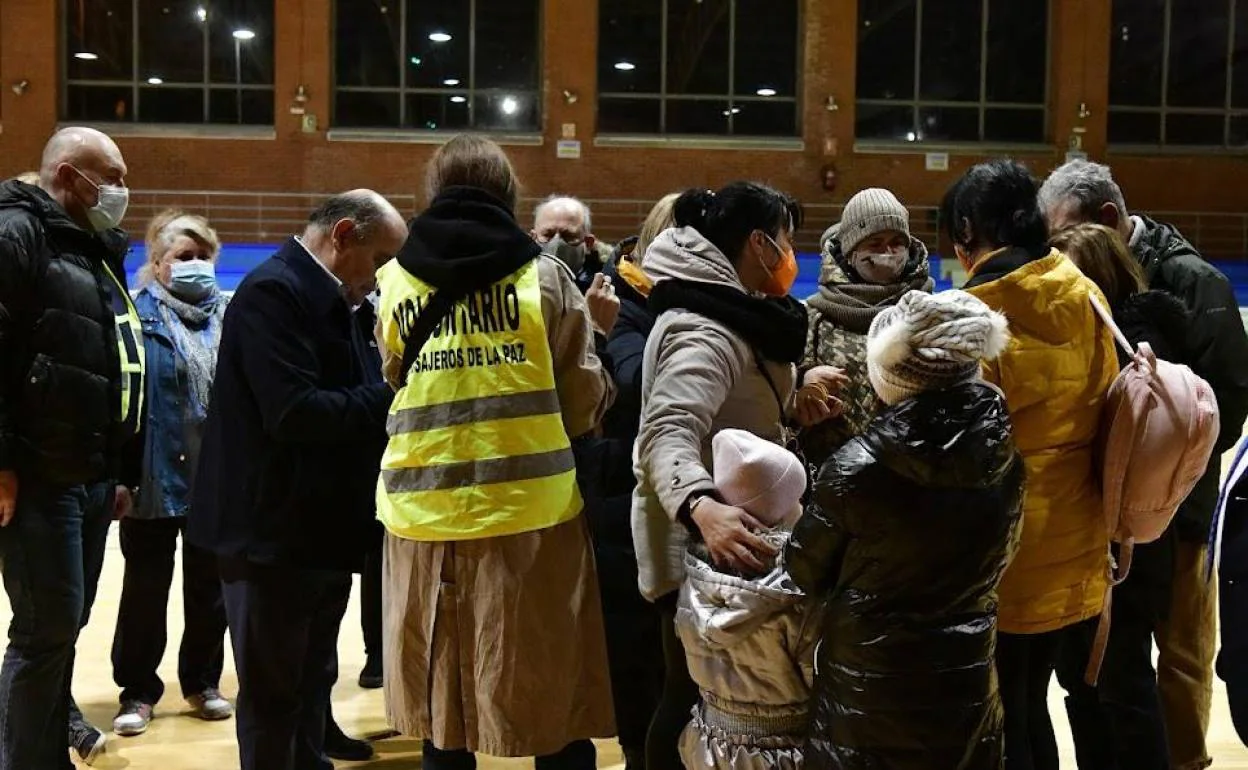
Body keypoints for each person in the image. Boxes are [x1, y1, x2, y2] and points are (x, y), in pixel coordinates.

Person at [376, 135, 618, 770]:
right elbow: (582, 402)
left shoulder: (396, 280)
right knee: (551, 694)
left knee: (440, 699)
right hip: (530, 515)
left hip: (421, 520)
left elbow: (393, 380)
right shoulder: (546, 278)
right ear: (508, 196)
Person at [1040, 159, 1248, 770]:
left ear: (1106, 221)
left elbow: (1227, 401)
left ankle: (1186, 761)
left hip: (1182, 513)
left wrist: (1165, 472)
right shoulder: (1081, 277)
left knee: (1181, 654)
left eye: (1067, 233)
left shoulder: (1194, 281)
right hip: (1108, 521)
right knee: (1112, 666)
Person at [187, 191, 404, 770]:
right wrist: (394, 396)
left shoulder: (343, 301)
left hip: (318, 532)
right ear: (343, 236)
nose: (383, 275)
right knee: (273, 695)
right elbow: (294, 412)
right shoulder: (271, 293)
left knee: (310, 683)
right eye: (380, 258)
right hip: (268, 536)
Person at [632, 182, 846, 770]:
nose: (790, 252)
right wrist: (701, 505)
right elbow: (667, 428)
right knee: (688, 697)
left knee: (705, 696)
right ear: (757, 243)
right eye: (784, 239)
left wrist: (793, 397)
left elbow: (730, 403)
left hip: (730, 541)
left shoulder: (730, 309)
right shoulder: (705, 326)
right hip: (696, 542)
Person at [787, 289, 1024, 770]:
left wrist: (827, 456)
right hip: (965, 679)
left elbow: (804, 570)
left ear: (890, 377)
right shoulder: (1004, 460)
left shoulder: (855, 470)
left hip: (869, 692)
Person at [943, 159, 1118, 770]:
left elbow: (958, 456)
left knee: (1000, 716)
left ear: (968, 230)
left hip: (1004, 555)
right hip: (1079, 542)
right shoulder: (1085, 292)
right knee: (1030, 703)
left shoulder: (973, 317)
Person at [0, 126, 144, 770]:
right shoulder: (15, 235)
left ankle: (49, 745)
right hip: (36, 474)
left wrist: (114, 469)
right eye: (109, 177)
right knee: (43, 630)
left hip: (86, 475)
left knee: (66, 625)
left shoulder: (93, 250)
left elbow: (112, 367)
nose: (120, 190)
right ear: (66, 175)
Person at [1045, 222, 1197, 770]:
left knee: (1118, 688)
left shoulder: (1128, 354)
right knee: (1094, 687)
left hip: (1117, 550)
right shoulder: (1142, 341)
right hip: (1126, 542)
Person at [110, 210, 232, 738]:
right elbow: (122, 402)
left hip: (217, 477)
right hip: (153, 475)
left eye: (203, 256)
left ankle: (203, 682)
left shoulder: (235, 314)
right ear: (158, 266)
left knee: (210, 588)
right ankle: (137, 690)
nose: (195, 265)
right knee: (145, 589)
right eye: (184, 257)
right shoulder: (137, 319)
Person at [579, 193, 678, 770]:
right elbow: (630, 390)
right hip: (621, 494)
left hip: (669, 496)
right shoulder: (618, 300)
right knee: (637, 660)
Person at [677, 429, 820, 770]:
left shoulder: (695, 578)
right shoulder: (795, 596)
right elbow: (822, 678)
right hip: (786, 753)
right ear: (785, 514)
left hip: (710, 744)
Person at [800, 187, 935, 467]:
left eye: (897, 242)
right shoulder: (811, 317)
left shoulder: (929, 313)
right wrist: (802, 384)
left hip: (913, 483)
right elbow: (783, 399)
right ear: (851, 251)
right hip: (833, 481)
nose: (887, 252)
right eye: (875, 243)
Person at [533, 195, 605, 290]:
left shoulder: (606, 287)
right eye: (548, 235)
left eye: (568, 236)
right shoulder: (516, 282)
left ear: (588, 243)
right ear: (533, 238)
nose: (556, 243)